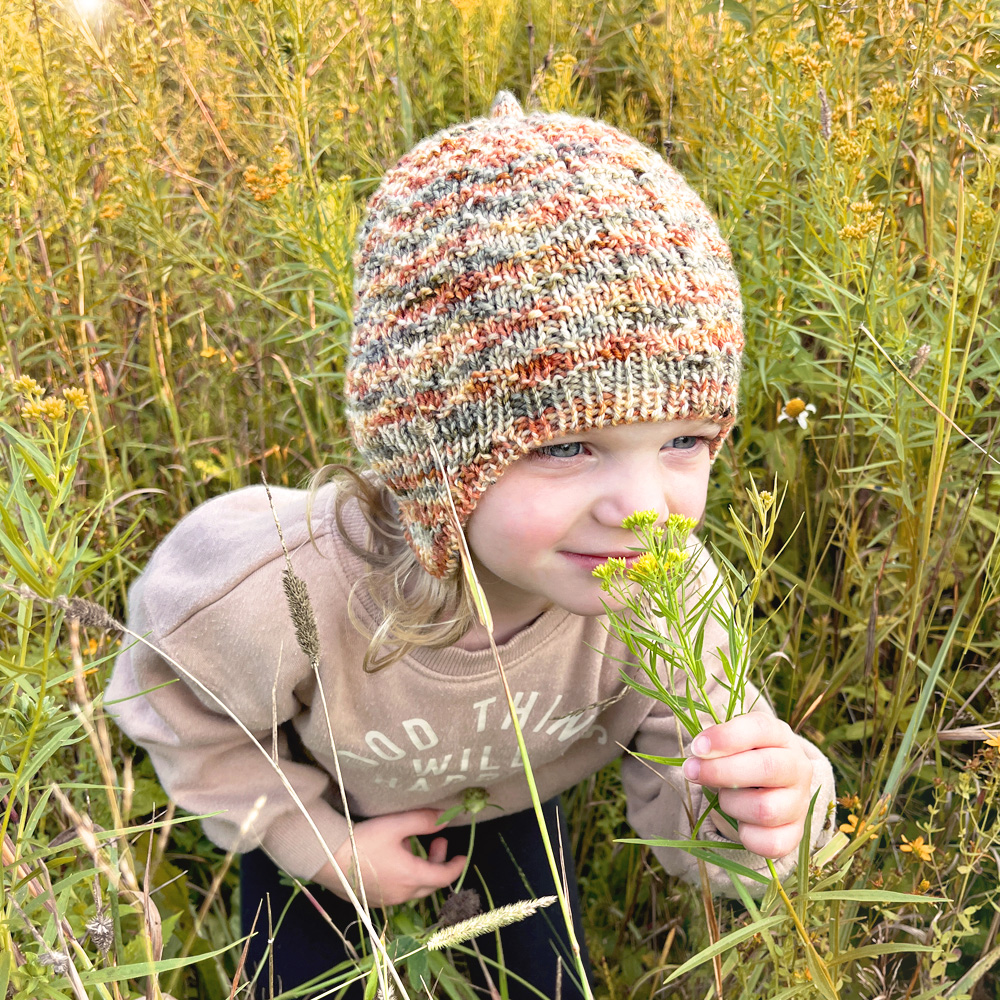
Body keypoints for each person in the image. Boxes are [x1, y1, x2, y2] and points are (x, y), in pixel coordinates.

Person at [106, 90, 837, 999]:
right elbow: (174, 703)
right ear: (429, 453)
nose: (644, 510)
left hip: (512, 803)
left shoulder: (667, 592)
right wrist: (320, 847)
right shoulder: (290, 588)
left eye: (685, 440)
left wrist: (764, 811)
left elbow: (684, 792)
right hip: (326, 800)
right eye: (569, 446)